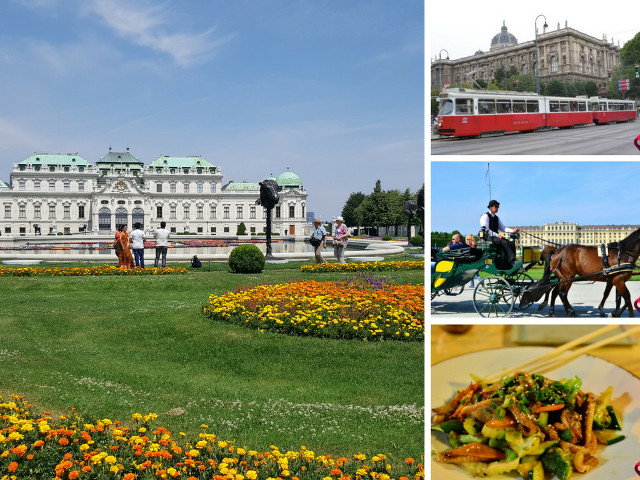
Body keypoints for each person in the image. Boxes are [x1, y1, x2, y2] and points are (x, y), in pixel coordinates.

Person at [479, 200, 519, 268]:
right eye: (496, 206)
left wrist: (512, 231)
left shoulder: (497, 217)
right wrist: (497, 235)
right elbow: (486, 229)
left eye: (498, 206)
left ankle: (510, 262)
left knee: (511, 243)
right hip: (489, 238)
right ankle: (511, 262)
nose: (497, 208)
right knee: (504, 243)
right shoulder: (485, 216)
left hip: (496, 238)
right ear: (490, 207)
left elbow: (503, 228)